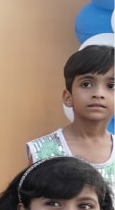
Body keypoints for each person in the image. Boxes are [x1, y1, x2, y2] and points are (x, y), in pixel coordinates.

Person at [26, 43, 114, 192]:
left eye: (111, 86)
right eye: (86, 84)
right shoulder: (43, 151)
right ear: (68, 97)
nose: (98, 94)